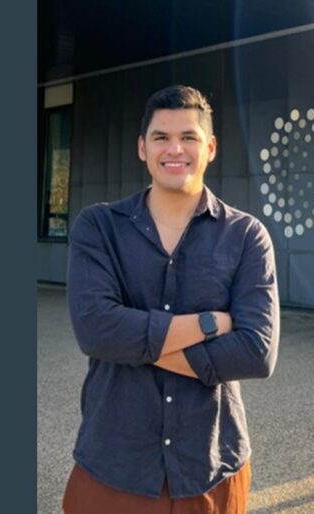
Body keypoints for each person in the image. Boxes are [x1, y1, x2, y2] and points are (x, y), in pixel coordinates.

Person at [62, 85, 279, 514]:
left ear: (210, 148)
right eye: (161, 137)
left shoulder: (246, 235)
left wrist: (136, 342)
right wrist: (209, 325)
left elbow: (257, 352)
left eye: (189, 137)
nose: (174, 149)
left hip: (210, 470)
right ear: (142, 148)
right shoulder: (99, 227)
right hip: (113, 466)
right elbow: (96, 330)